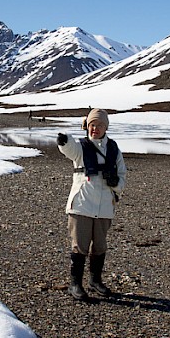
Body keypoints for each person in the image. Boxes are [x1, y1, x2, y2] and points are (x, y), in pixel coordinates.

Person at [57, 108, 127, 300]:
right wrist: (64, 140)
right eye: (91, 125)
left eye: (99, 125)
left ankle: (95, 281)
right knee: (79, 245)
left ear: (106, 127)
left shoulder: (114, 149)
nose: (95, 128)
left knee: (100, 246)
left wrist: (117, 184)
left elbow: (122, 174)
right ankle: (75, 284)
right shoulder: (81, 147)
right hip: (82, 204)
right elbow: (69, 148)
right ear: (86, 126)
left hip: (105, 206)